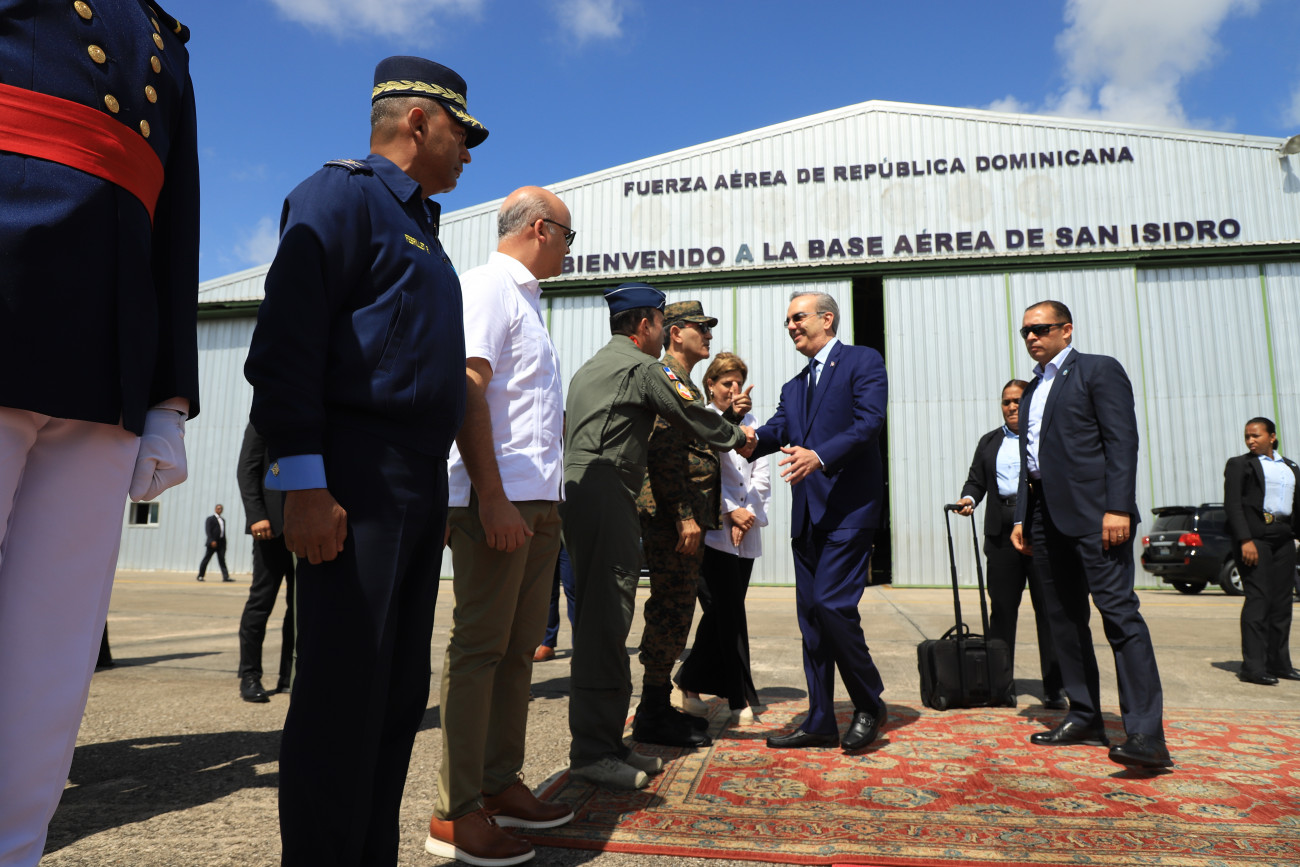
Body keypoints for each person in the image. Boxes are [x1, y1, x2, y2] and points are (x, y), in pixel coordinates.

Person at [243, 56, 485, 867]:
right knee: (342, 697)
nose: (468, 153)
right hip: (355, 472)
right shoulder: (341, 196)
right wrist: (302, 481)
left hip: (412, 480)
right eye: (461, 134)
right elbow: (286, 346)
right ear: (419, 121)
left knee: (394, 698)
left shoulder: (422, 227)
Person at [0, 4, 199, 864]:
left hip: (107, 352)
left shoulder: (161, 36)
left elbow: (175, 222)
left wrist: (169, 397)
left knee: (49, 666)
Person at [427, 186, 574, 866]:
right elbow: (466, 387)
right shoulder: (487, 286)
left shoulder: (528, 302)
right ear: (541, 228)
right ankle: (455, 810)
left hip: (536, 503)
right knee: (479, 651)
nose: (569, 249)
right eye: (568, 235)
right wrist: (489, 495)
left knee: (517, 651)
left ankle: (499, 781)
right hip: (498, 502)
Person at [562, 283, 754, 790]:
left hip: (591, 491)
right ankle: (594, 751)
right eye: (661, 322)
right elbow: (690, 417)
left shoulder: (596, 365)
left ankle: (607, 742)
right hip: (607, 492)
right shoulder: (645, 368)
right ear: (647, 325)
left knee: (606, 620)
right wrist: (740, 435)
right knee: (606, 624)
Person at [1010, 300, 1171, 769]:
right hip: (1045, 517)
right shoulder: (1033, 388)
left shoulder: (1098, 370)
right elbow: (1030, 460)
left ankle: (1146, 734)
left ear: (1067, 329)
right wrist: (1023, 518)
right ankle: (1083, 715)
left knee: (1119, 617)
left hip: (1097, 515)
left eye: (1041, 328)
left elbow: (1122, 441)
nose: (1032, 337)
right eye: (1025, 331)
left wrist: (1118, 506)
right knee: (1063, 619)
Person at [750, 291, 889, 753]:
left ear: (827, 319)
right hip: (807, 517)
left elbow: (869, 422)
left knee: (832, 605)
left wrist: (820, 455)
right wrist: (739, 431)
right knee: (812, 619)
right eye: (787, 321)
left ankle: (868, 702)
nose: (791, 326)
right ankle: (820, 720)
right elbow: (773, 433)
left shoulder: (862, 361)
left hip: (849, 511)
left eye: (798, 317)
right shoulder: (793, 387)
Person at [633, 300, 732, 748]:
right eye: (700, 327)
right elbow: (663, 453)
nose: (708, 335)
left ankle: (656, 704)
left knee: (677, 610)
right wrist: (684, 515)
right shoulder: (667, 379)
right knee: (670, 610)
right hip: (672, 520)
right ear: (675, 333)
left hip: (683, 516)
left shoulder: (683, 382)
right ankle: (651, 712)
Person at [675, 352, 772, 724]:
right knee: (725, 611)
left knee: (726, 611)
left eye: (738, 383)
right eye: (726, 383)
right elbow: (705, 472)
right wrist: (730, 510)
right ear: (710, 386)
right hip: (716, 529)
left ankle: (690, 681)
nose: (733, 389)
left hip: (745, 528)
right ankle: (738, 695)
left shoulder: (753, 422)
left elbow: (761, 473)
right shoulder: (705, 420)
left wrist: (746, 515)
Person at [956, 380, 1064, 709]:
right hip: (1001, 534)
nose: (1012, 407)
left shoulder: (1046, 437)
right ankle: (999, 684)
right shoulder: (990, 442)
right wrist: (969, 498)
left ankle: (1055, 688)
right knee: (1002, 610)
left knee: (1048, 610)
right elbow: (976, 480)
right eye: (1006, 402)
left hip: (1040, 529)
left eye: (1018, 400)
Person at [1224, 417, 1300, 686]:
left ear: (1272, 437)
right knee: (1259, 599)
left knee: (1282, 603)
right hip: (1256, 538)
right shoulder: (1240, 465)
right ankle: (1253, 667)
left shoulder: (1290, 467)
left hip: (1284, 537)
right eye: (1247, 436)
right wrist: (1245, 540)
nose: (1250, 441)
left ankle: (1279, 663)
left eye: (1255, 435)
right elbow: (1233, 504)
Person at [235, 422, 295, 703]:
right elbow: (247, 468)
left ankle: (290, 676)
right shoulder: (264, 418)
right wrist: (256, 515)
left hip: (305, 529)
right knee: (261, 603)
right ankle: (249, 675)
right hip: (269, 529)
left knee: (300, 608)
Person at [534, 545, 576, 662]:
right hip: (547, 540)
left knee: (573, 590)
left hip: (569, 541)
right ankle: (548, 643)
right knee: (547, 590)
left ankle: (579, 645)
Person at [197, 504, 231, 582]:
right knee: (206, 559)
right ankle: (200, 575)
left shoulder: (223, 520)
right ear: (215, 509)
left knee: (222, 560)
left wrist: (224, 543)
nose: (220, 510)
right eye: (218, 508)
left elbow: (223, 532)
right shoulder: (210, 519)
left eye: (221, 509)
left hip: (221, 543)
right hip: (213, 542)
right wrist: (211, 540)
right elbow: (208, 530)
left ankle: (226, 577)